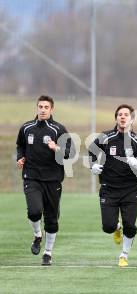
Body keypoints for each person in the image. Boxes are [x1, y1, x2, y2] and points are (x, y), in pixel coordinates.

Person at [88, 104, 137, 267]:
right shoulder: (105, 137)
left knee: (130, 226)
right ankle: (117, 227)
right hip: (108, 189)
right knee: (108, 227)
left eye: (126, 115)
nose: (123, 117)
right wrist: (93, 165)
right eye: (120, 115)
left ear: (132, 119)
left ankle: (124, 255)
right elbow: (92, 152)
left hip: (130, 190)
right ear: (116, 118)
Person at [16, 95, 73, 266]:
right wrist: (20, 157)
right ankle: (37, 235)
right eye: (40, 106)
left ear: (51, 109)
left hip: (53, 179)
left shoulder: (59, 129)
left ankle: (47, 253)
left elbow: (70, 152)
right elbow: (20, 145)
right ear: (37, 108)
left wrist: (56, 148)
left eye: (46, 107)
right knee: (34, 211)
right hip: (32, 176)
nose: (42, 110)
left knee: (51, 219)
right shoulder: (26, 127)